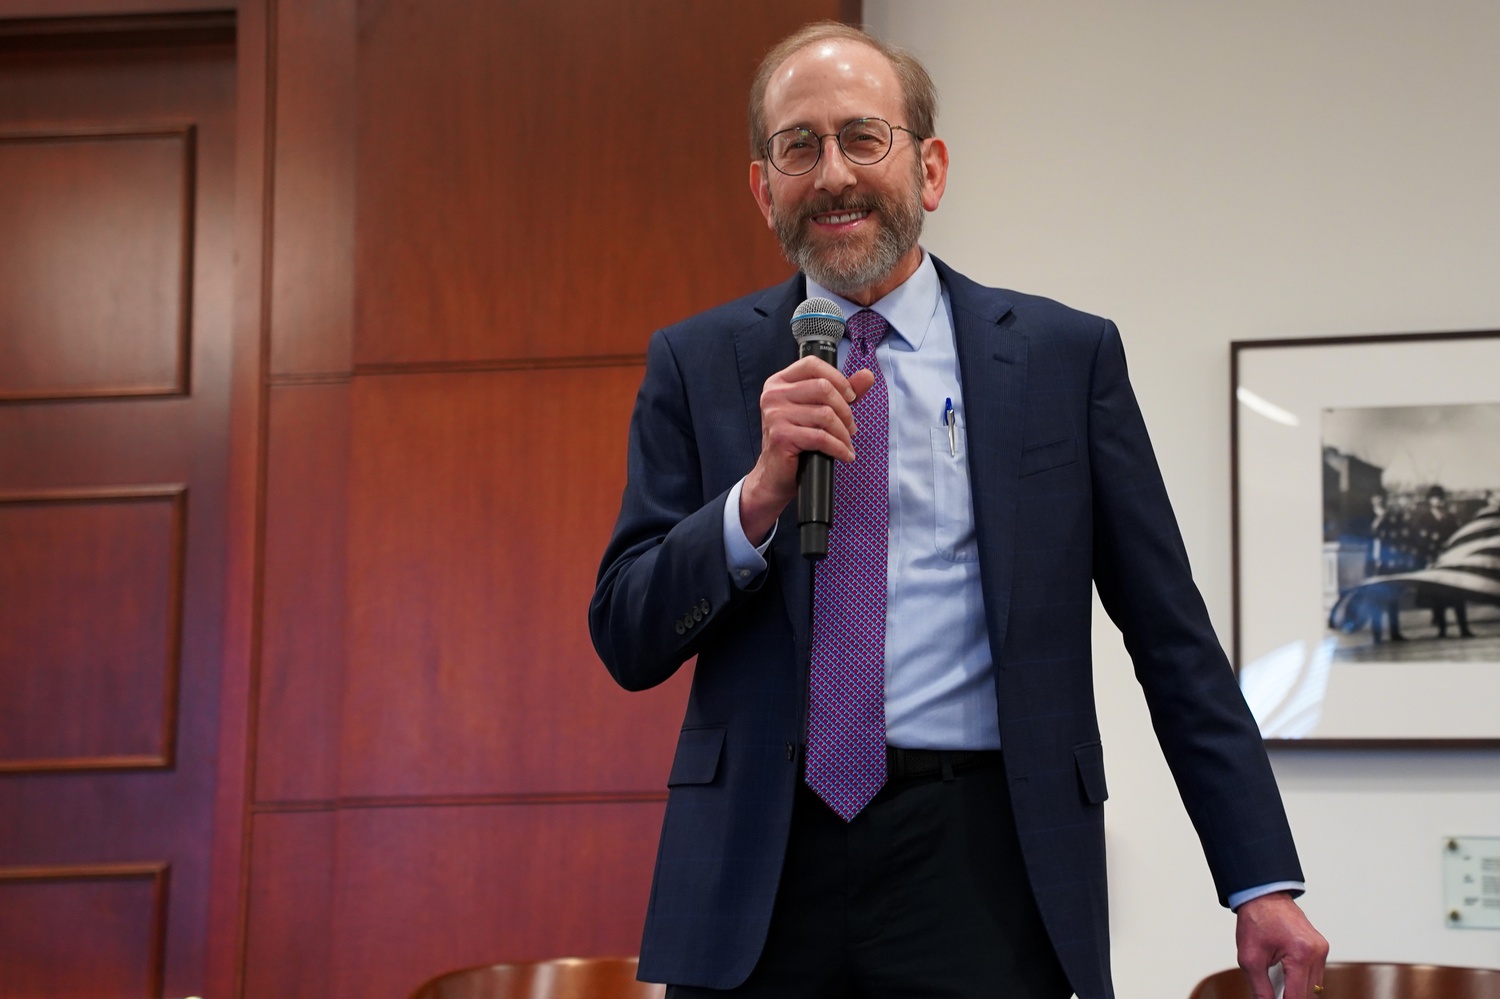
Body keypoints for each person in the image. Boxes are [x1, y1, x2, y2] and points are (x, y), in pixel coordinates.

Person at [590, 21, 1327, 999]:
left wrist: (1258, 876)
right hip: (757, 871)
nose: (833, 174)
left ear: (929, 169)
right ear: (764, 189)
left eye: (863, 137)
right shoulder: (696, 363)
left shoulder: (1063, 360)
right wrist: (754, 499)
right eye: (799, 147)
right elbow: (627, 632)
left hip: (984, 860)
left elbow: (1170, 634)